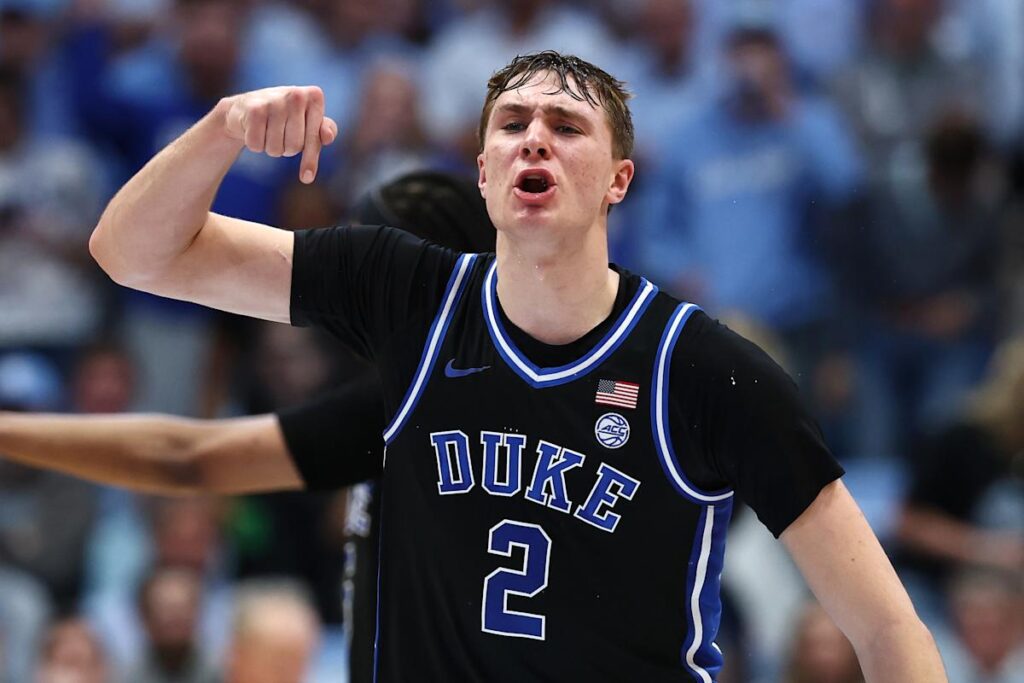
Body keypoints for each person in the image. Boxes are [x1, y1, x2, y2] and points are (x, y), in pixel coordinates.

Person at [89, 50, 945, 679]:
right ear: (483, 172)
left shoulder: (706, 372)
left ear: (618, 180)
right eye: (512, 125)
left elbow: (887, 628)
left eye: (566, 127)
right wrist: (222, 131)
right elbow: (131, 253)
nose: (535, 139)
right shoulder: (407, 294)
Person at [0, 170, 496, 683]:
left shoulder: (418, 409)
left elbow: (186, 458)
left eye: (371, 266)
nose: (350, 289)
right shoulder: (433, 399)